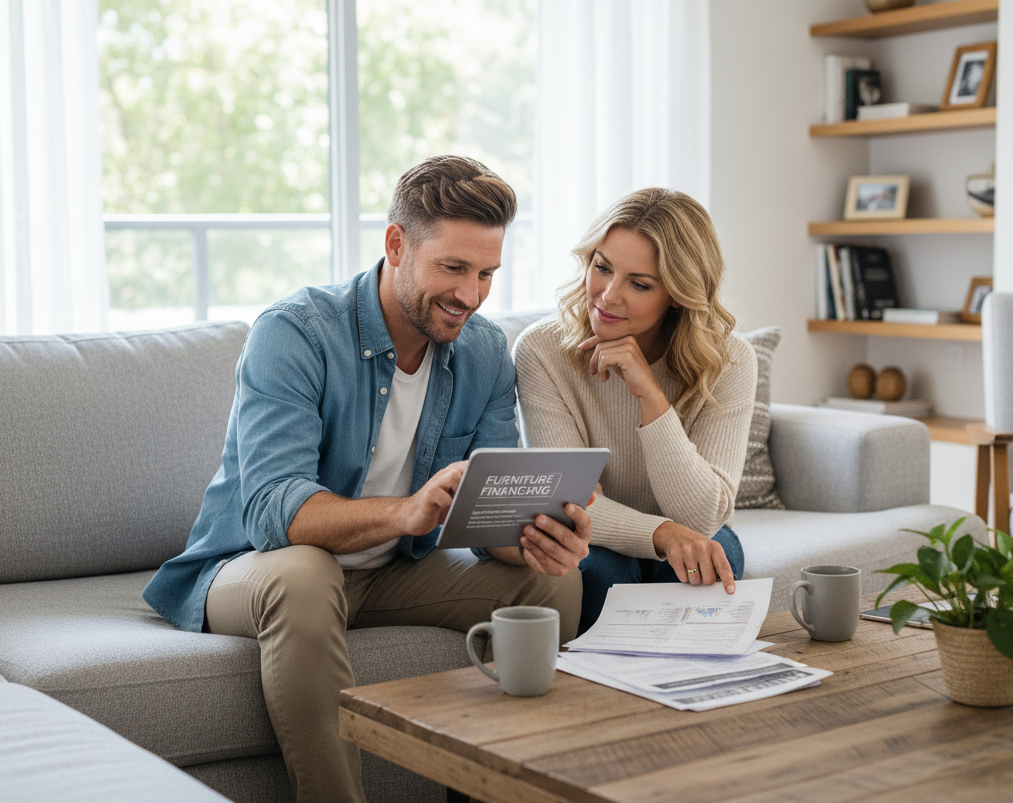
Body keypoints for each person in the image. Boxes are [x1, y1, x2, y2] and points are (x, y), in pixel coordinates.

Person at [142, 156, 591, 803]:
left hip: (393, 571)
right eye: (453, 268)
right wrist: (405, 513)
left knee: (552, 580)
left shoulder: (486, 352)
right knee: (305, 572)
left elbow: (490, 519)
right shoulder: (295, 333)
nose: (471, 294)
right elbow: (276, 511)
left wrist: (538, 533)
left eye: (487, 273)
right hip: (254, 566)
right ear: (396, 245)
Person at [513, 187, 755, 633]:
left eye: (639, 284)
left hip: (694, 533)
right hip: (597, 540)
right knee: (602, 571)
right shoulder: (542, 350)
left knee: (715, 552)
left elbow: (703, 518)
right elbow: (570, 504)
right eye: (601, 267)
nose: (607, 296)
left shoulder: (732, 360)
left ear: (679, 295)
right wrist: (660, 534)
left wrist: (651, 395)